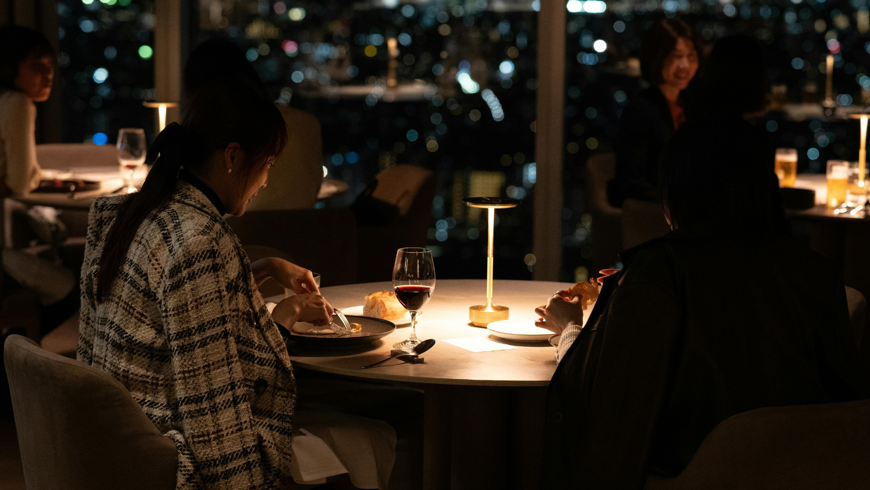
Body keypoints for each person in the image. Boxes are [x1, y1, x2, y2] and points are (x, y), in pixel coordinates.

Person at [78, 79, 393, 489]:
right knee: (374, 435)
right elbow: (213, 414)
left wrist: (260, 268)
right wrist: (282, 318)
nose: (265, 181)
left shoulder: (133, 213)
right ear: (232, 157)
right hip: (166, 463)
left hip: (109, 447)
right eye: (268, 164)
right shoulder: (200, 243)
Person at [536, 117, 870, 488]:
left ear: (677, 193)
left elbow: (597, 406)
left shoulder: (661, 272)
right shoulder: (815, 271)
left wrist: (569, 327)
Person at [183, 39, 323, 211]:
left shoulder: (226, 136)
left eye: (270, 163)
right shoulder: (308, 123)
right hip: (307, 234)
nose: (265, 182)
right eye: (269, 162)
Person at [608, 19, 700, 208]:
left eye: (691, 57)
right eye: (676, 56)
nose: (685, 65)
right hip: (653, 217)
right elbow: (632, 184)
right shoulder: (640, 111)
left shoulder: (693, 105)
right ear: (657, 58)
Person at [0, 25, 52, 198]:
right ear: (9, 69)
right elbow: (21, 184)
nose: (48, 74)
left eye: (49, 64)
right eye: (37, 65)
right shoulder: (17, 102)